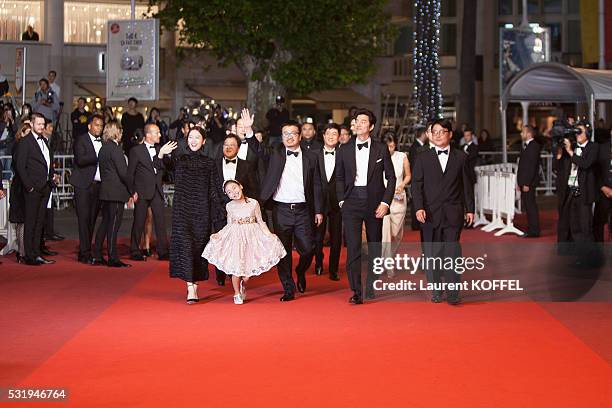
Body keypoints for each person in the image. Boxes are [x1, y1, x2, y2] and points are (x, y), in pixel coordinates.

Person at [335, 108, 396, 304]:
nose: (358, 124)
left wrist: (385, 202)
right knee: (353, 248)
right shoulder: (344, 149)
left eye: (363, 121)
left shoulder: (380, 148)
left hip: (374, 203)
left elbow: (391, 177)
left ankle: (371, 284)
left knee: (374, 247)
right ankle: (356, 290)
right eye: (356, 121)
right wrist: (342, 200)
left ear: (370, 126)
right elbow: (339, 177)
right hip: (351, 202)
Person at [412, 118, 475, 305]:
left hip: (453, 213)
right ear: (430, 135)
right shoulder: (422, 157)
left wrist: (470, 209)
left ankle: (453, 291)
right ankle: (436, 290)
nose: (439, 135)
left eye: (442, 131)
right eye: (435, 132)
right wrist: (418, 207)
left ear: (450, 134)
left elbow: (466, 186)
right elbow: (416, 186)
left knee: (452, 251)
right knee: (432, 252)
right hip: (429, 214)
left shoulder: (461, 157)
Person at [259, 120, 323, 301]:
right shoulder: (276, 154)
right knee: (283, 251)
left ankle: (300, 271)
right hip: (281, 210)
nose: (289, 137)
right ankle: (288, 287)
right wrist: (248, 132)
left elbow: (317, 184)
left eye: (293, 133)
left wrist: (318, 210)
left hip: (303, 210)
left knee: (308, 249)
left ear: (300, 137)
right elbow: (259, 150)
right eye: (285, 133)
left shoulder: (311, 157)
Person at [203, 180, 286, 304]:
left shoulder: (253, 203)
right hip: (235, 237)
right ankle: (236, 293)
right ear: (227, 195)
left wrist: (269, 234)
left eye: (234, 188)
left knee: (247, 270)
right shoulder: (229, 206)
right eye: (229, 192)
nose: (233, 192)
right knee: (236, 267)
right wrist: (219, 234)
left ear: (240, 186)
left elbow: (260, 221)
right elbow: (229, 224)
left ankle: (243, 282)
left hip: (252, 236)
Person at [169, 127, 226, 304]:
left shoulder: (210, 163)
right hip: (182, 211)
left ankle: (195, 284)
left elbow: (214, 190)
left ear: (203, 141)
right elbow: (160, 169)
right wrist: (161, 154)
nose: (193, 140)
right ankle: (190, 288)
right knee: (185, 246)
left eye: (197, 137)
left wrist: (222, 209)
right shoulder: (179, 160)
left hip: (202, 212)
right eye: (191, 137)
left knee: (198, 248)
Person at [212, 133, 257, 285]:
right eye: (226, 145)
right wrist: (220, 205)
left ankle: (237, 274)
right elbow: (210, 188)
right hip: (219, 210)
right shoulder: (214, 164)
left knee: (238, 245)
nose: (229, 147)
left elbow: (252, 187)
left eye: (232, 145)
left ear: (238, 148)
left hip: (240, 213)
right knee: (221, 243)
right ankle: (220, 273)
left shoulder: (247, 165)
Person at [127, 124, 176, 261]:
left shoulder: (161, 149)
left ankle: (163, 251)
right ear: (148, 135)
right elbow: (130, 173)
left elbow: (165, 168)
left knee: (161, 222)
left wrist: (166, 155)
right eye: (157, 133)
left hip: (157, 191)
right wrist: (132, 191)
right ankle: (135, 250)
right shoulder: (136, 151)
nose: (160, 135)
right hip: (142, 191)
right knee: (139, 221)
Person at [14, 113, 57, 265]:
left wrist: (51, 179)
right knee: (31, 222)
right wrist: (29, 187)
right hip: (32, 189)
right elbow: (20, 166)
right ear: (31, 124)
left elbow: (48, 162)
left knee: (39, 223)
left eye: (43, 124)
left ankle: (36, 253)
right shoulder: (25, 142)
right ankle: (29, 256)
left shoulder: (45, 141)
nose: (41, 127)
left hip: (45, 188)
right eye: (38, 124)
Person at [555, 122, 599, 264]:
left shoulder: (593, 147)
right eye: (576, 132)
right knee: (574, 226)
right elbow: (561, 165)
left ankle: (590, 257)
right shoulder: (572, 147)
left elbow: (585, 164)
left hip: (584, 193)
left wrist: (570, 152)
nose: (577, 134)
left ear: (588, 134)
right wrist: (562, 148)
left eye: (580, 131)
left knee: (585, 226)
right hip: (571, 192)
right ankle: (581, 255)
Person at [92, 120, 131, 267]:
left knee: (105, 224)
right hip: (116, 192)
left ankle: (97, 254)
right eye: (120, 131)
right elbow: (123, 173)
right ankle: (113, 257)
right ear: (116, 132)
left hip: (106, 191)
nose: (121, 134)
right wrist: (131, 189)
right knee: (114, 225)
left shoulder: (103, 148)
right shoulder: (115, 149)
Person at [71, 114, 104, 264]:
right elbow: (81, 159)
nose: (99, 128)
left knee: (91, 220)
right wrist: (99, 156)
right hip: (83, 185)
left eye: (101, 126)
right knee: (83, 219)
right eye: (97, 125)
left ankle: (87, 250)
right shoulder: (81, 139)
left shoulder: (103, 142)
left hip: (98, 186)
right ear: (90, 126)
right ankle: (84, 254)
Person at [312, 123, 342, 281]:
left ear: (339, 137)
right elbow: (314, 182)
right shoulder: (314, 155)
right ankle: (318, 263)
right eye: (328, 133)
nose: (331, 136)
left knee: (337, 237)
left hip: (338, 203)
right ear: (323, 136)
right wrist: (317, 208)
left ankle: (333, 269)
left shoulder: (344, 154)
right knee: (318, 236)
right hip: (320, 202)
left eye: (334, 134)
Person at [381, 132, 411, 276]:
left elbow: (408, 175)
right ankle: (388, 264)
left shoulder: (402, 157)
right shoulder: (378, 156)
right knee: (385, 233)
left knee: (397, 234)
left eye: (392, 146)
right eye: (387, 146)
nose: (390, 149)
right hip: (383, 198)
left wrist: (403, 185)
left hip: (399, 197)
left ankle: (387, 258)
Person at [9, 123, 31, 263]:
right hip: (19, 187)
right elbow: (18, 166)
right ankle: (21, 253)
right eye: (25, 132)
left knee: (23, 221)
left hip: (24, 186)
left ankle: (23, 252)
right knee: (20, 221)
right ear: (20, 133)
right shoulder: (18, 146)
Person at [517, 125, 542, 238]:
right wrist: (519, 182)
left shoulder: (534, 146)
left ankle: (534, 230)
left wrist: (526, 183)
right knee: (527, 206)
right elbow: (522, 166)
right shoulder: (526, 146)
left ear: (529, 134)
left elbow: (531, 167)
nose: (521, 134)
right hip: (524, 182)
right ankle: (531, 228)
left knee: (531, 206)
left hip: (529, 183)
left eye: (523, 132)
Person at [408, 126, 429, 231]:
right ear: (423, 134)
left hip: (419, 177)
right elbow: (415, 164)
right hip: (416, 177)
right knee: (415, 198)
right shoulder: (415, 147)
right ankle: (415, 223)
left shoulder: (420, 146)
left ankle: (417, 223)